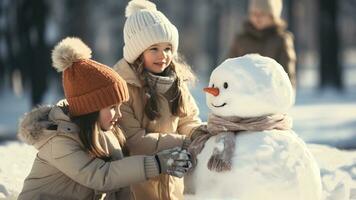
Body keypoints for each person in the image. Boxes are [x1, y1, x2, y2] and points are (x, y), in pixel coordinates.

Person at [17, 37, 192, 200]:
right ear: (90, 109)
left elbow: (119, 182)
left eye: (119, 107)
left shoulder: (106, 134)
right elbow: (102, 176)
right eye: (112, 108)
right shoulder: (58, 142)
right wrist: (156, 163)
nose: (119, 114)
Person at [113, 0, 207, 199]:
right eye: (154, 49)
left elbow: (187, 120)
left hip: (173, 182)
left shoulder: (176, 82)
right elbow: (133, 140)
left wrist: (199, 134)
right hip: (138, 185)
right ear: (137, 52)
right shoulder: (123, 87)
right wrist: (183, 142)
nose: (163, 56)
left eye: (167, 48)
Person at [228, 0, 297, 88]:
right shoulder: (241, 40)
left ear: (272, 16)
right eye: (254, 13)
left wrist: (287, 94)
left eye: (262, 14)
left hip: (271, 95)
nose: (257, 17)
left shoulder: (281, 40)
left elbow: (288, 73)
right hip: (243, 94)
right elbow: (229, 68)